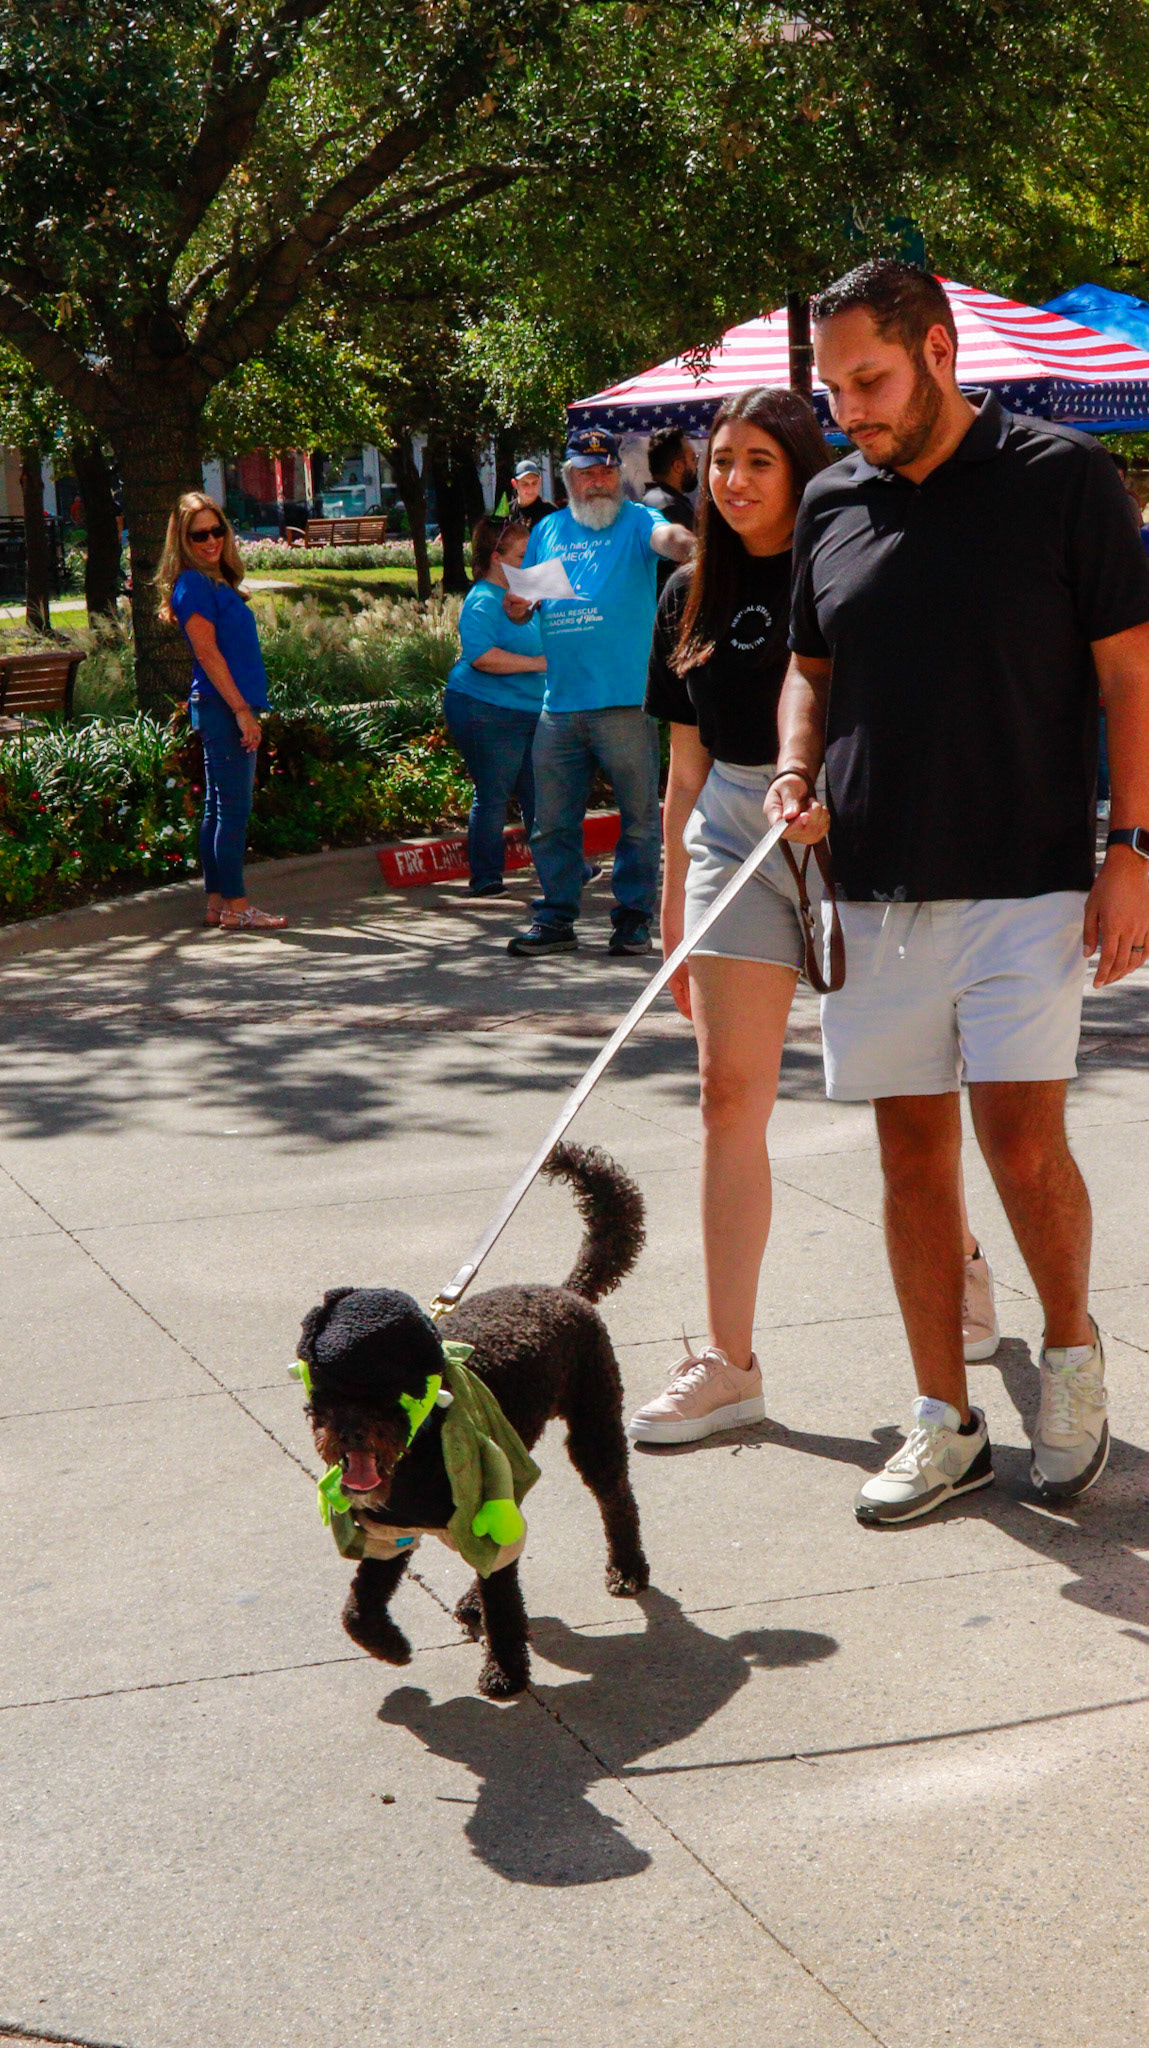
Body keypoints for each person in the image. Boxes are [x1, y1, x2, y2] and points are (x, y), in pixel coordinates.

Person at [768, 258, 1149, 1525]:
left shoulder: (1063, 477)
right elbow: (809, 667)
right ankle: (947, 1416)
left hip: (1027, 877)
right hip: (871, 887)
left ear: (940, 350)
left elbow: (1133, 675)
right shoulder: (831, 498)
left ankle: (1073, 1359)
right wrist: (794, 765)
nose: (849, 412)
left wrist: (1134, 847)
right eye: (832, 390)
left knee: (1023, 1143)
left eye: (868, 380)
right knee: (910, 1154)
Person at [623, 388, 832, 1443]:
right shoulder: (685, 591)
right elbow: (683, 770)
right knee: (725, 1096)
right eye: (720, 461)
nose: (734, 479)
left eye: (759, 460)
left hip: (847, 823)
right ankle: (729, 1362)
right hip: (731, 832)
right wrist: (672, 908)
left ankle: (961, 1262)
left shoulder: (844, 563)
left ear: (801, 466)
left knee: (905, 1091)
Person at [506, 426, 693, 958]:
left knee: (639, 821)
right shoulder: (549, 529)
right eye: (587, 472)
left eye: (607, 470)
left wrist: (693, 548)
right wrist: (517, 606)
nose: (598, 481)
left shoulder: (637, 520)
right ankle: (556, 918)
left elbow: (668, 540)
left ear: (619, 475)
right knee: (551, 825)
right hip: (559, 704)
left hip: (625, 702)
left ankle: (632, 921)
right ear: (569, 479)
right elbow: (528, 601)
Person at [157, 492, 287, 932]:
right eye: (200, 535)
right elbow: (208, 654)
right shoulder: (193, 585)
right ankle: (237, 906)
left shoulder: (215, 581)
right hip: (222, 707)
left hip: (221, 706)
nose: (211, 540)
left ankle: (217, 903)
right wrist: (241, 710)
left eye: (217, 530)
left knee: (219, 808)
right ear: (183, 540)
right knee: (233, 810)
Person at [444, 518, 547, 896]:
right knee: (494, 794)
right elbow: (481, 657)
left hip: (527, 709)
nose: (530, 563)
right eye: (522, 556)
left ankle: (561, 869)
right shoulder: (483, 600)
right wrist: (538, 664)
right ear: (496, 558)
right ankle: (486, 877)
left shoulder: (527, 595)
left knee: (541, 795)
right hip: (484, 708)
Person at [509, 458, 556, 529]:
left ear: (539, 481)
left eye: (534, 483)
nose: (530, 488)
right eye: (525, 484)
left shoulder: (551, 513)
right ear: (514, 484)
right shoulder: (507, 512)